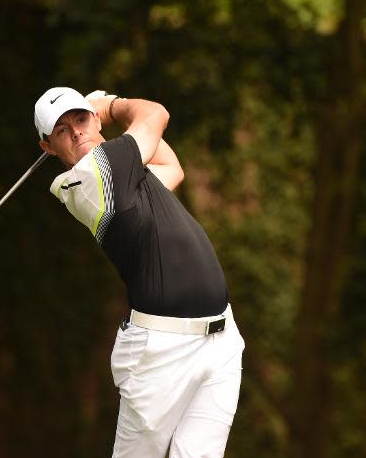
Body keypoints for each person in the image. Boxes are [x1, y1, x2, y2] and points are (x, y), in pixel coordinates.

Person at [33, 86, 245, 458]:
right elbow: (156, 115)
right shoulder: (94, 177)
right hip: (160, 354)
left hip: (221, 341)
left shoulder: (125, 175)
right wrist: (112, 106)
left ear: (92, 122)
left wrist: (106, 118)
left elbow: (170, 168)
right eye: (62, 130)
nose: (76, 132)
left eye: (80, 119)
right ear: (48, 147)